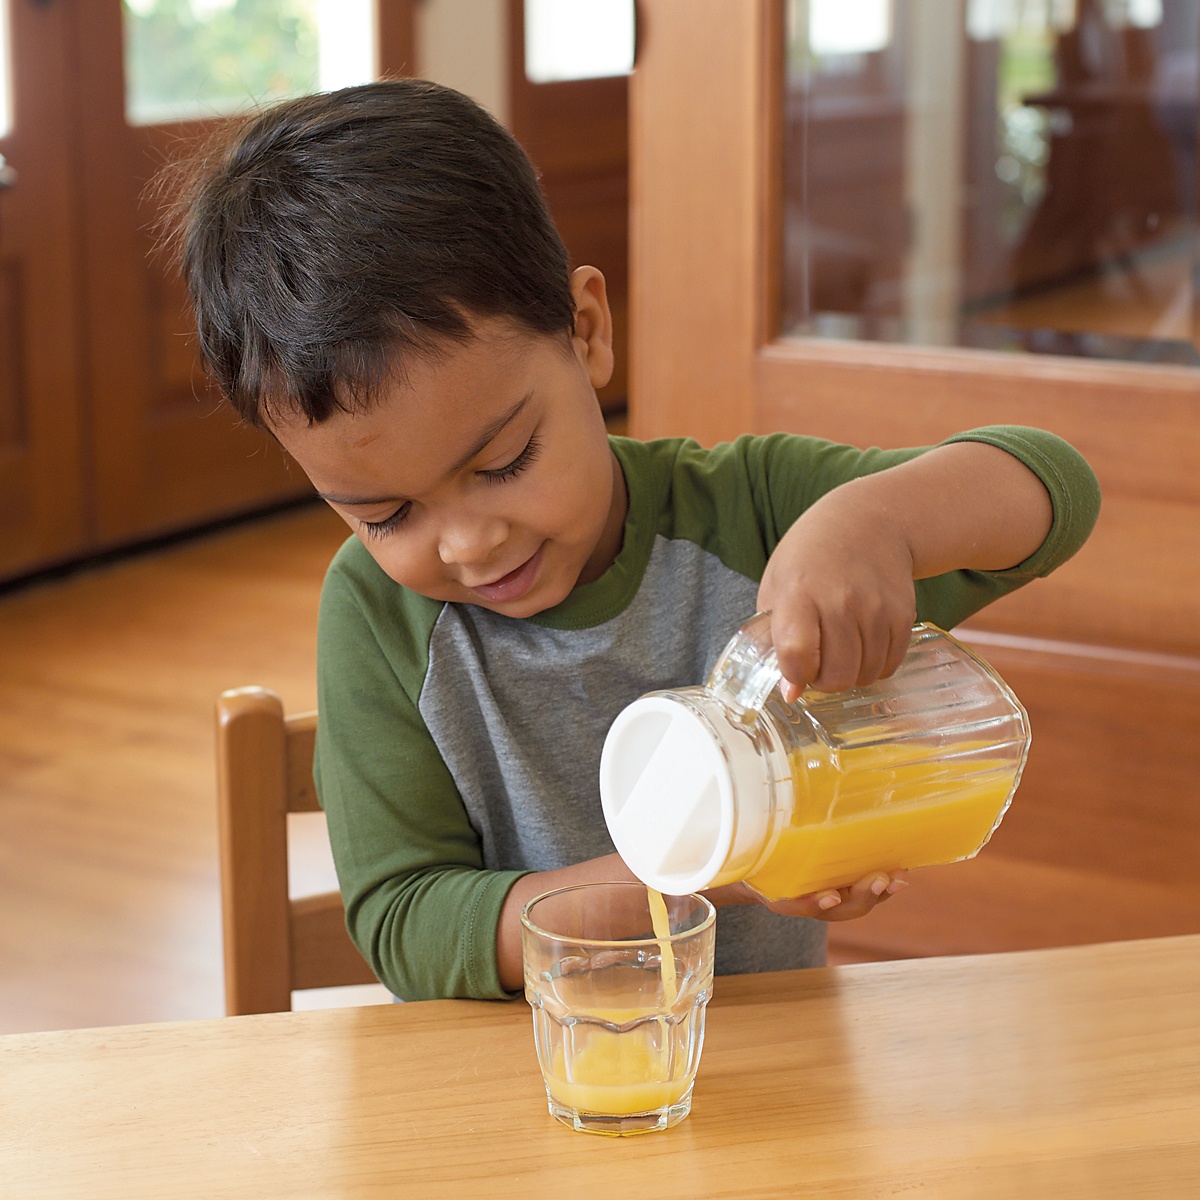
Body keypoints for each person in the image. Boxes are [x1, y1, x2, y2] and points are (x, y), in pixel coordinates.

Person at [178, 79, 1101, 1001]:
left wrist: (875, 524)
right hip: (519, 1070)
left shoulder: (750, 512)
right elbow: (409, 926)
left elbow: (1055, 491)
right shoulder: (379, 613)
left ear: (585, 332)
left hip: (768, 1054)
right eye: (385, 515)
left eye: (503, 461)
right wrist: (722, 863)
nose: (467, 543)